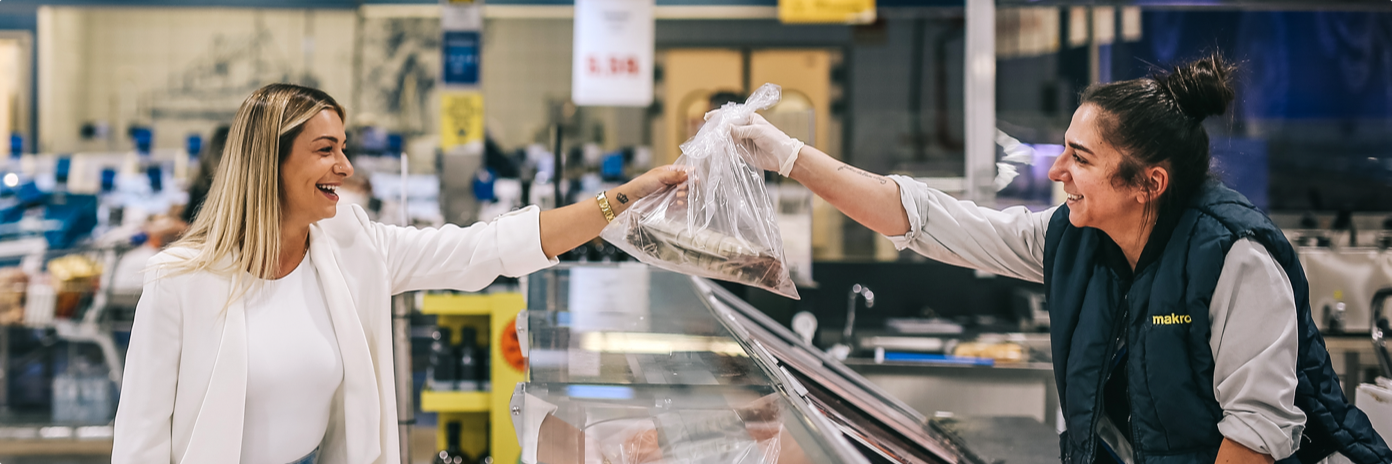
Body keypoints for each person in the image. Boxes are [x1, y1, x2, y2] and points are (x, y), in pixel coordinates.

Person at [729, 54, 1391, 464]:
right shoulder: (1074, 240)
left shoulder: (1236, 258)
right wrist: (789, 156)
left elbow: (1257, 437)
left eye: (1080, 159)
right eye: (1062, 151)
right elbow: (926, 220)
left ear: (1148, 184)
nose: (1058, 175)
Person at [112, 83, 688, 464]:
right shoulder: (180, 281)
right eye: (325, 150)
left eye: (343, 147)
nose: (345, 166)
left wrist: (621, 201)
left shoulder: (351, 248)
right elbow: (139, 442)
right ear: (271, 161)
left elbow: (484, 249)